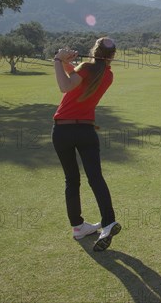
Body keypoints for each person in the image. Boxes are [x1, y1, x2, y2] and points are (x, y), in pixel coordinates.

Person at [51, 37, 121, 252]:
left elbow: (65, 86)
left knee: (72, 180)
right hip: (86, 131)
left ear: (94, 50)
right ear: (112, 56)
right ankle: (108, 221)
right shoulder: (107, 75)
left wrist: (57, 59)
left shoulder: (85, 68)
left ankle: (78, 227)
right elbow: (78, 76)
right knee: (95, 177)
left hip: (63, 130)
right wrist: (67, 63)